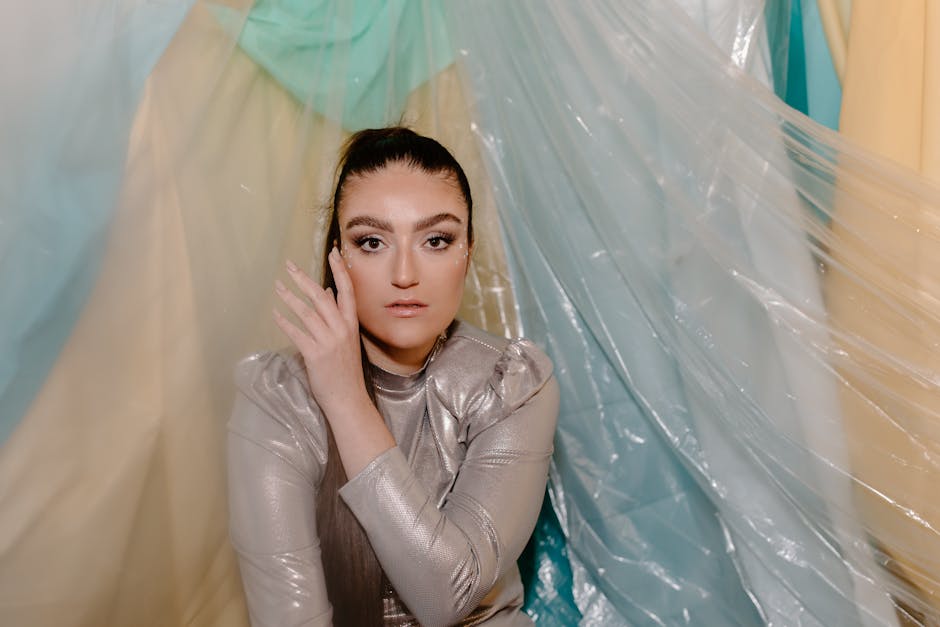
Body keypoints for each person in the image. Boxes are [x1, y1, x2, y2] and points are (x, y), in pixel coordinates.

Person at [227, 127, 559, 627]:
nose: (405, 273)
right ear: (339, 255)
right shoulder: (278, 397)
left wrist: (347, 402)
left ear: (467, 251)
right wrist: (332, 395)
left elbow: (448, 596)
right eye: (373, 241)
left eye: (436, 239)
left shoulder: (511, 383)